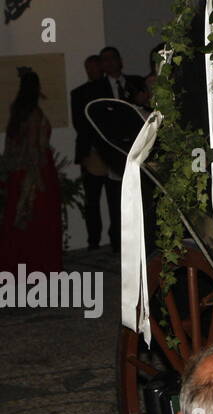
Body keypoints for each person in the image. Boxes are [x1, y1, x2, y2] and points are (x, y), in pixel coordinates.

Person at [84, 46, 148, 250]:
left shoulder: (136, 82)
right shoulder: (95, 89)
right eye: (105, 60)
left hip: (138, 149)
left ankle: (143, 239)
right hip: (111, 152)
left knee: (141, 196)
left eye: (113, 58)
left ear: (120, 61)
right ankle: (117, 242)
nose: (109, 63)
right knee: (115, 199)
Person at [1, 68, 62, 273]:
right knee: (38, 220)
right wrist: (37, 180)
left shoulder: (16, 110)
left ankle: (18, 265)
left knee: (16, 217)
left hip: (16, 172)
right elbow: (35, 148)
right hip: (35, 171)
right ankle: (39, 266)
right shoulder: (34, 113)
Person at [70, 54, 108, 249]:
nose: (90, 71)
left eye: (93, 67)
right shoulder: (78, 94)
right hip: (90, 153)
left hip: (111, 154)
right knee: (91, 201)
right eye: (88, 68)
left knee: (115, 199)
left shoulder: (110, 88)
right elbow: (80, 125)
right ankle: (93, 240)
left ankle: (117, 240)